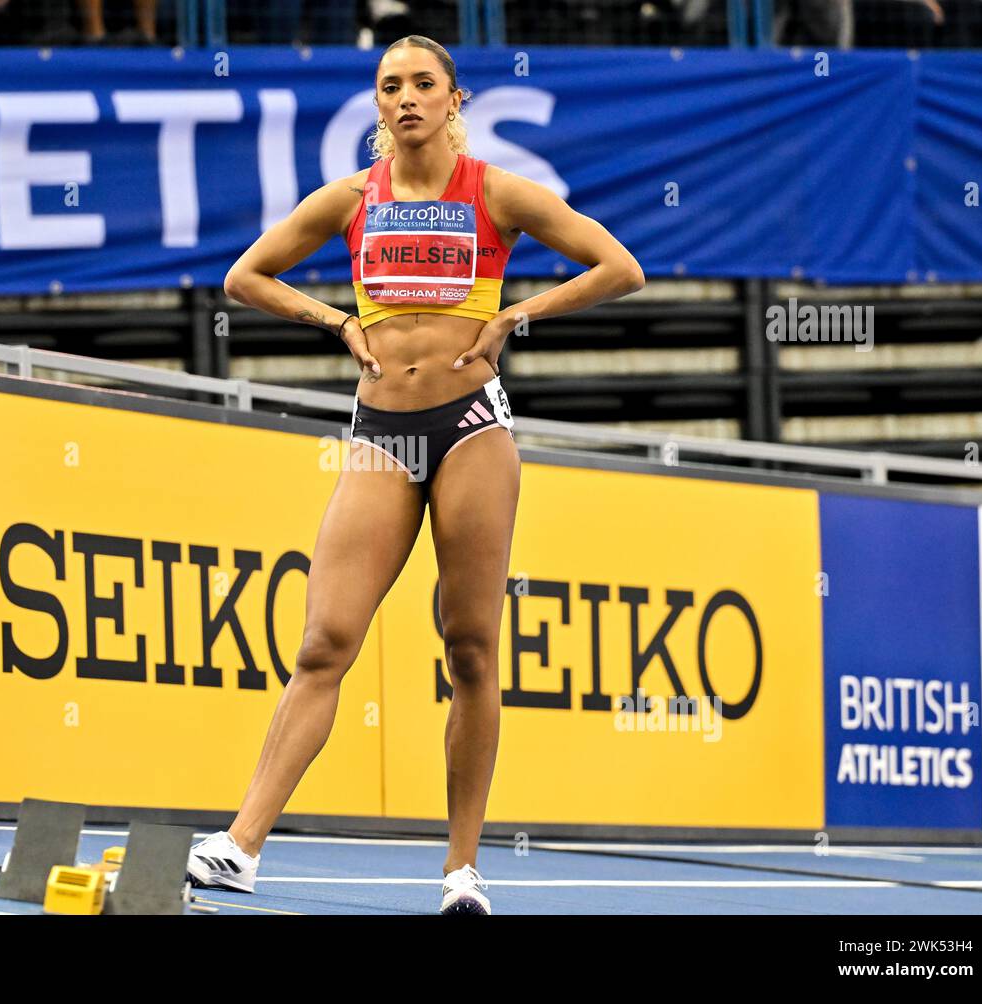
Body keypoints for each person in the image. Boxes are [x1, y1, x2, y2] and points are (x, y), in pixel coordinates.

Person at [187, 33, 644, 915]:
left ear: (454, 101)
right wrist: (333, 321)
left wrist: (518, 312)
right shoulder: (351, 198)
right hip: (379, 432)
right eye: (390, 86)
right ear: (378, 105)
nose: (406, 99)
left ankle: (460, 871)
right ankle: (241, 845)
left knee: (470, 649)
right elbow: (246, 277)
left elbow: (619, 268)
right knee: (325, 641)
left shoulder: (497, 193)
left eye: (423, 84)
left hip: (473, 427)